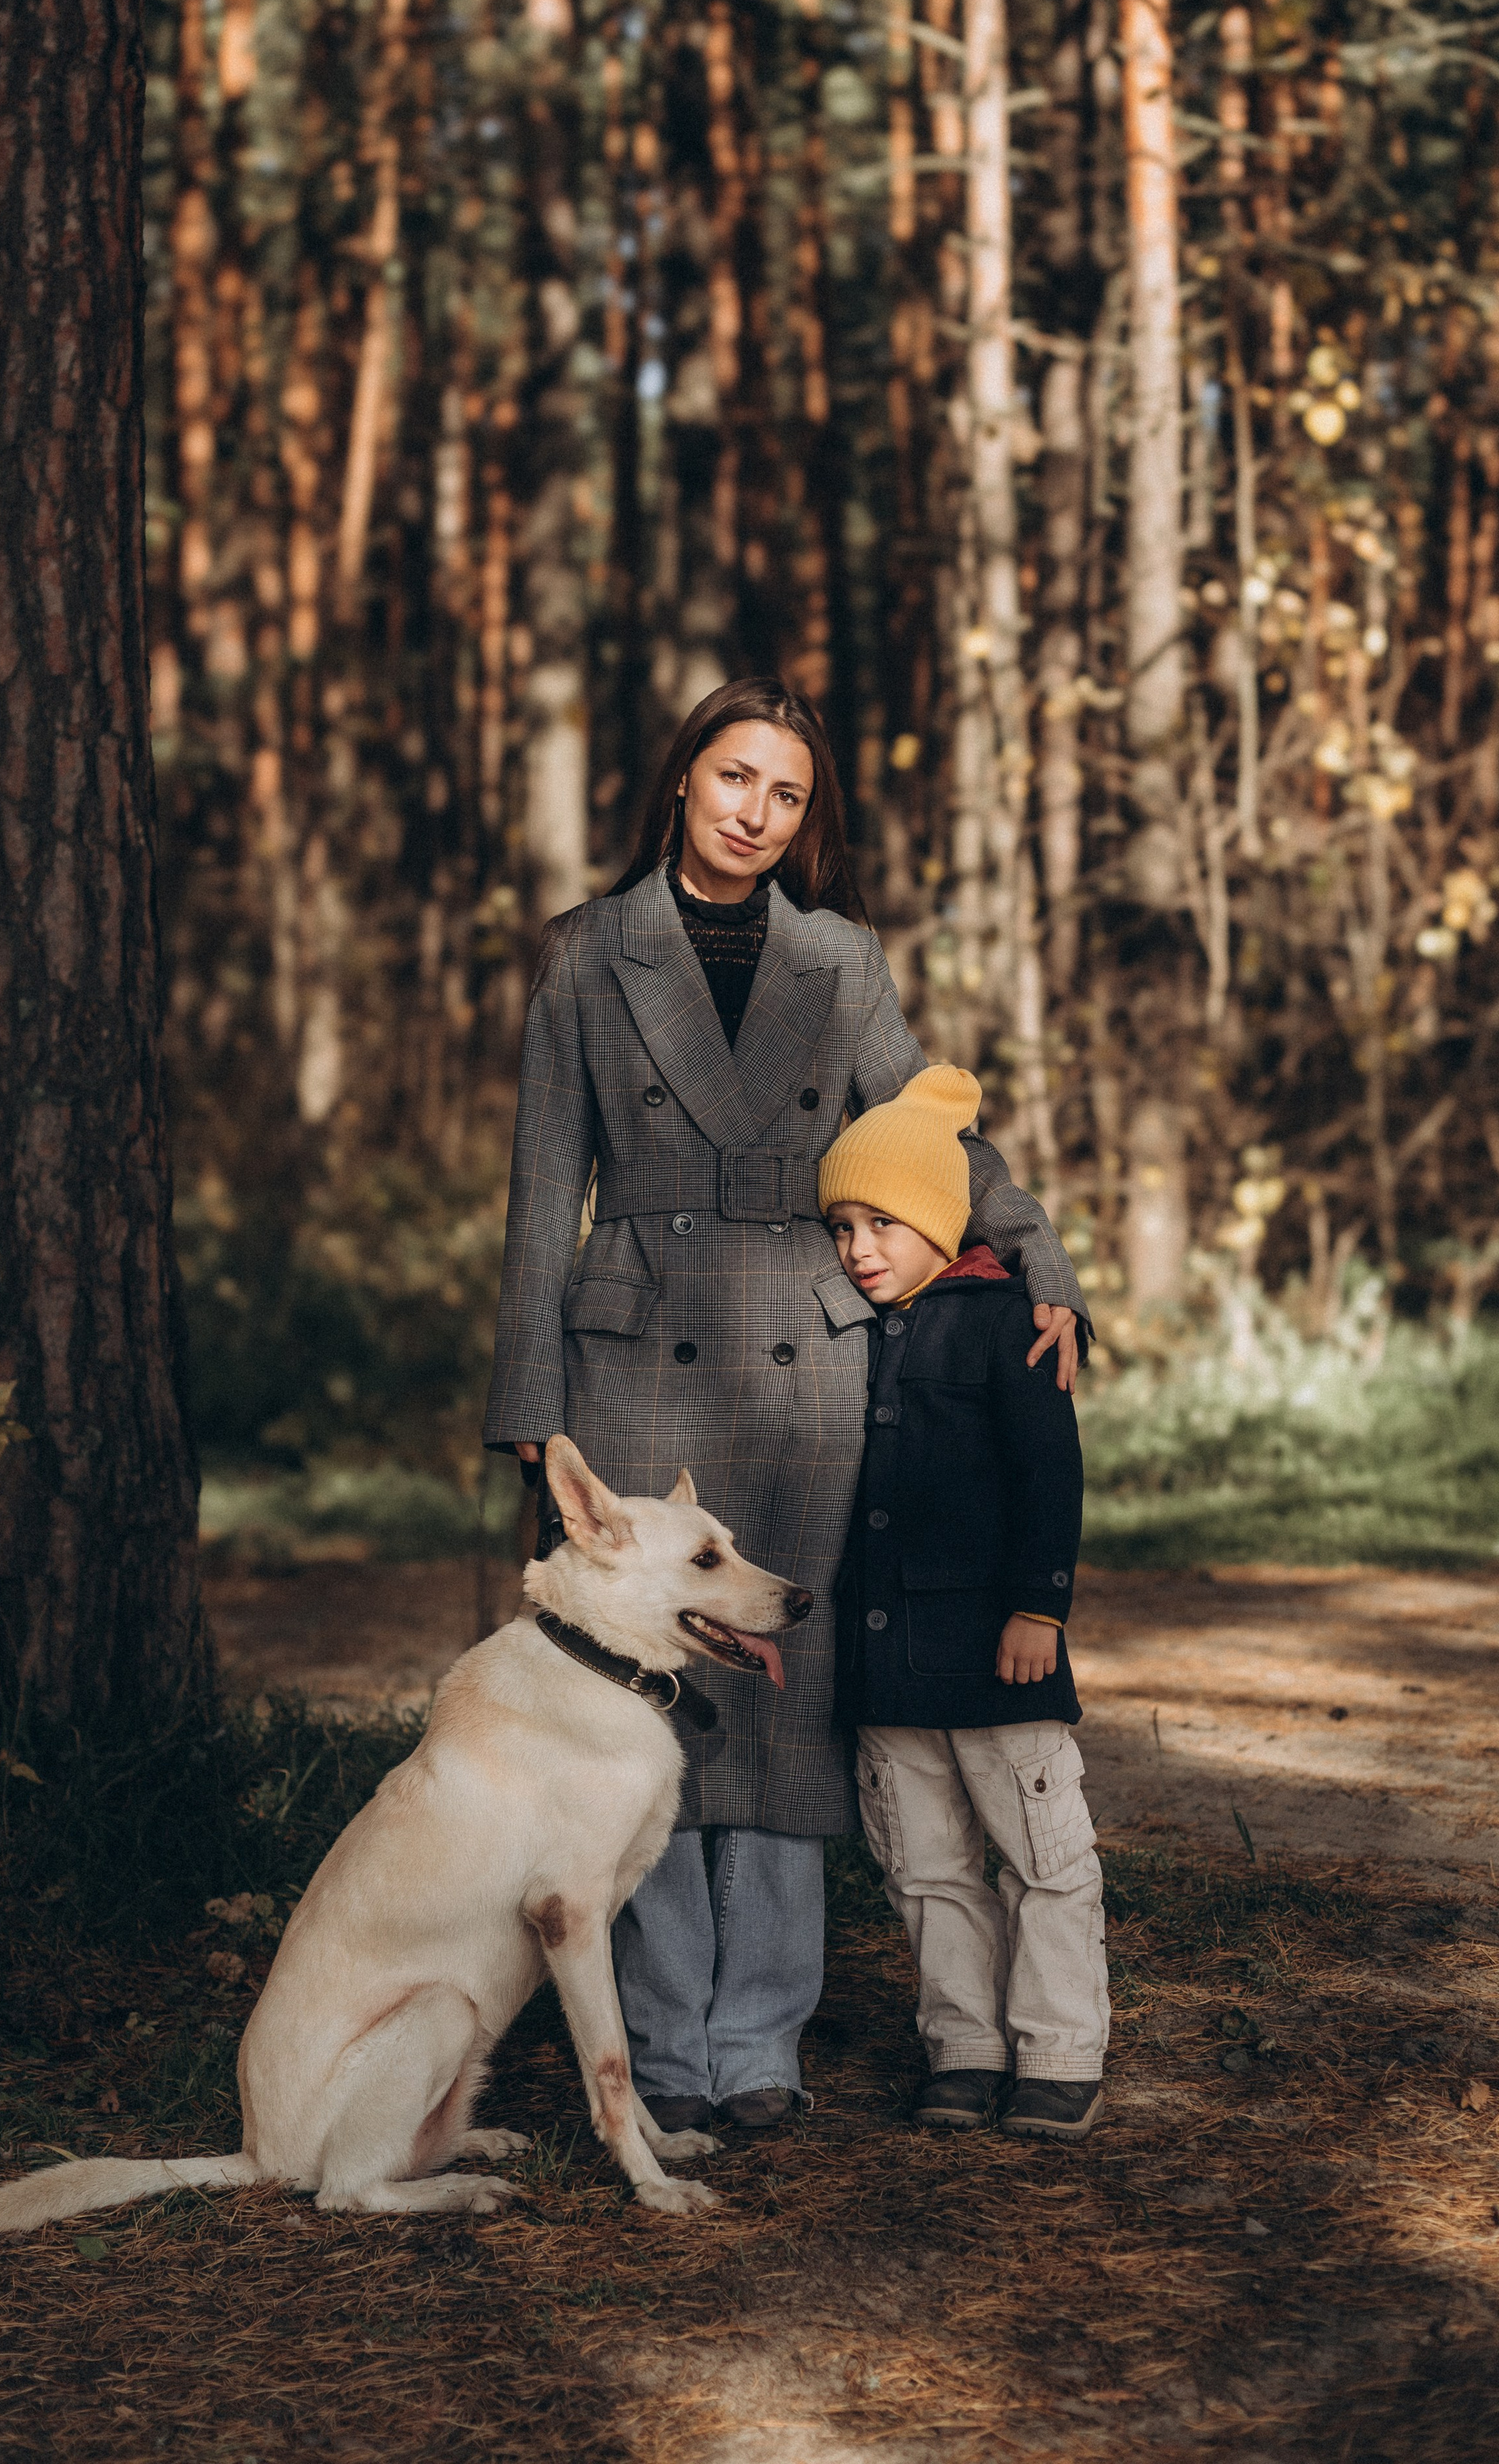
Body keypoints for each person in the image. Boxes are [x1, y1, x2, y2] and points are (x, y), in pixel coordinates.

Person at [482, 678, 1091, 2134]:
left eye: (787, 795)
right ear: (682, 778)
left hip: (804, 1370)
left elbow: (921, 1134)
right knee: (653, 1706)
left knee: (784, 1710)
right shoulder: (588, 953)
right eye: (732, 778)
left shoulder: (839, 962)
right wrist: (526, 1395)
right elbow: (540, 1189)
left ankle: (758, 2046)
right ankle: (667, 2054)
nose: (755, 813)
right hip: (633, 1360)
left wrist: (1033, 1251)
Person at [820, 1063, 1108, 2142]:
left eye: (883, 1224)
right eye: (843, 1228)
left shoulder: (1011, 1323)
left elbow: (1050, 1473)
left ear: (944, 1220)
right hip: (889, 1657)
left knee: (1043, 1856)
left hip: (1000, 1653)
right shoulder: (850, 1332)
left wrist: (1041, 1607)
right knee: (927, 1867)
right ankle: (965, 2046)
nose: (859, 1250)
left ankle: (1059, 2047)